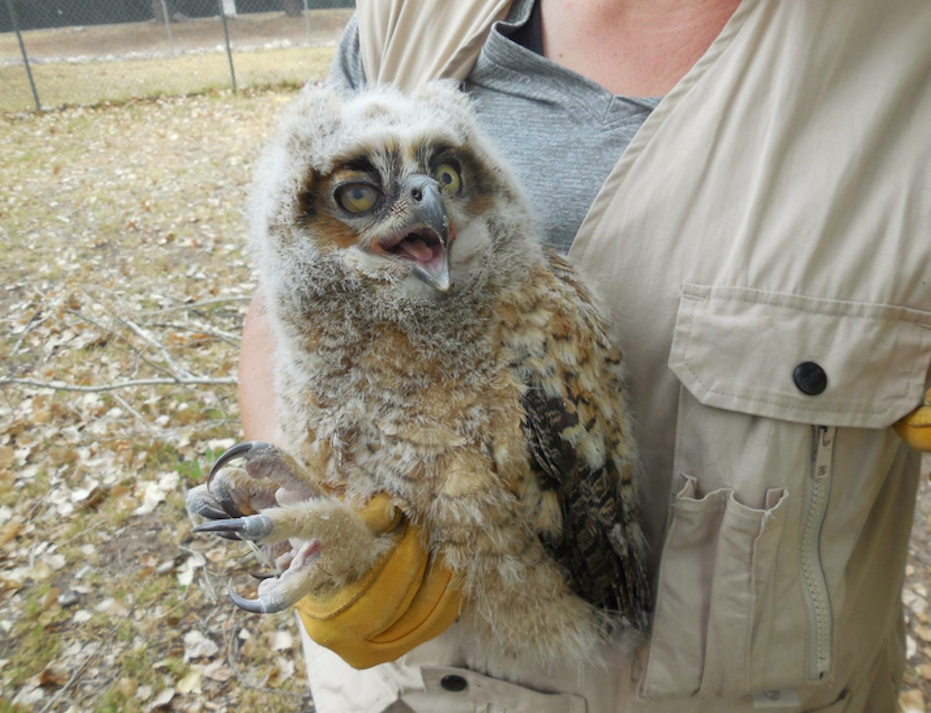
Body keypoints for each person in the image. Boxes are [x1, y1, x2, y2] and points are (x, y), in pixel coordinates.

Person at [237, 0, 931, 710]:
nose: (422, 203)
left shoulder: (906, 56)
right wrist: (309, 512)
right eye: (362, 191)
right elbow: (285, 288)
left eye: (444, 181)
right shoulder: (410, 12)